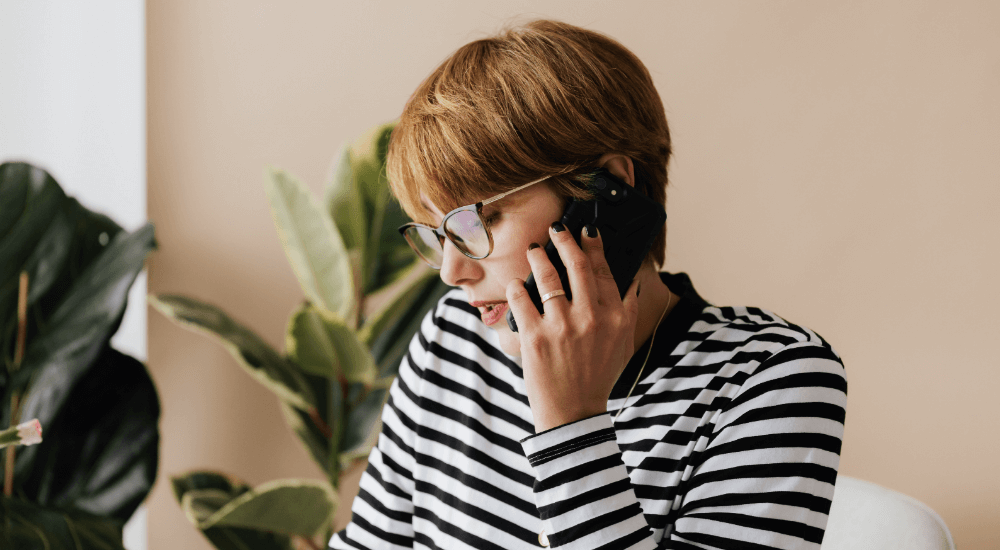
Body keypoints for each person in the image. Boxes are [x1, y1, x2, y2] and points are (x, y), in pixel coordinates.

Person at [330, 19, 847, 550]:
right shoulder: (453, 336)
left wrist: (569, 422)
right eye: (439, 232)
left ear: (606, 190)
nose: (451, 271)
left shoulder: (770, 380)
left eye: (480, 220)